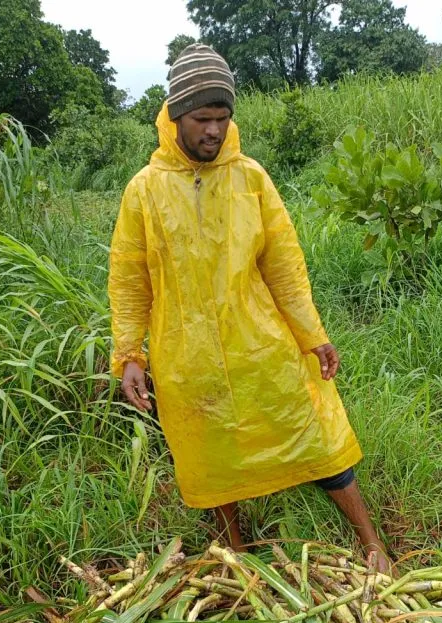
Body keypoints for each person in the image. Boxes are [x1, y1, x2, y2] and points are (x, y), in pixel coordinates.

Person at [109, 43, 389, 570]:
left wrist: (312, 335)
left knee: (313, 430)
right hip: (186, 353)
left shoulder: (250, 178)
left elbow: (284, 265)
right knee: (207, 452)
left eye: (222, 117)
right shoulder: (144, 192)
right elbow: (129, 280)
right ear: (174, 119)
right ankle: (235, 552)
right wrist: (130, 354)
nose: (213, 130)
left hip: (259, 342)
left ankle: (371, 541)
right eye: (201, 118)